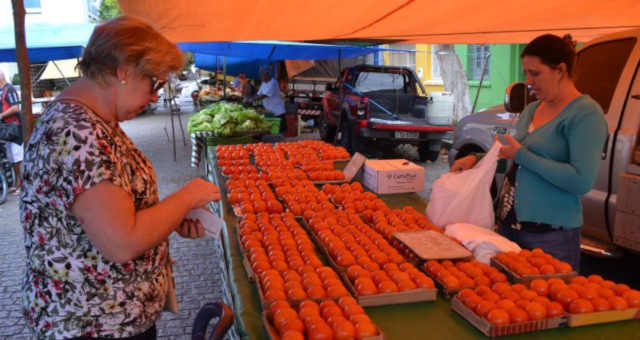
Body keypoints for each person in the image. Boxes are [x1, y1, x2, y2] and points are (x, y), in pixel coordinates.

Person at [19, 16, 221, 340]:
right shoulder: (76, 132)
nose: (156, 95)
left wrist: (169, 217)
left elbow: (117, 213)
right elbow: (121, 243)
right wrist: (187, 197)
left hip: (112, 319)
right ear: (124, 70)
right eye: (155, 82)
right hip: (94, 325)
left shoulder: (94, 121)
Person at [450, 34, 608, 270]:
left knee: (548, 303)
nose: (528, 81)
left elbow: (581, 181)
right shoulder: (533, 108)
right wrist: (476, 159)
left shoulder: (585, 114)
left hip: (550, 235)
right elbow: (513, 155)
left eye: (535, 73)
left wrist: (522, 155)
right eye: (526, 73)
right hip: (510, 226)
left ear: (560, 70)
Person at [0, 70, 22, 194]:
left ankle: (21, 185)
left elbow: (15, 107)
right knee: (10, 157)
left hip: (14, 128)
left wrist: (1, 115)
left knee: (17, 157)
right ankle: (15, 184)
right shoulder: (1, 90)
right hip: (5, 129)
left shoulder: (10, 89)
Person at [253, 67, 286, 132]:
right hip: (269, 110)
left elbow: (265, 95)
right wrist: (253, 98)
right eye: (260, 75)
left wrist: (252, 99)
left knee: (279, 130)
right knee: (271, 129)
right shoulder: (264, 83)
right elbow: (259, 93)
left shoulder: (273, 82)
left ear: (267, 74)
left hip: (277, 110)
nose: (261, 77)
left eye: (262, 75)